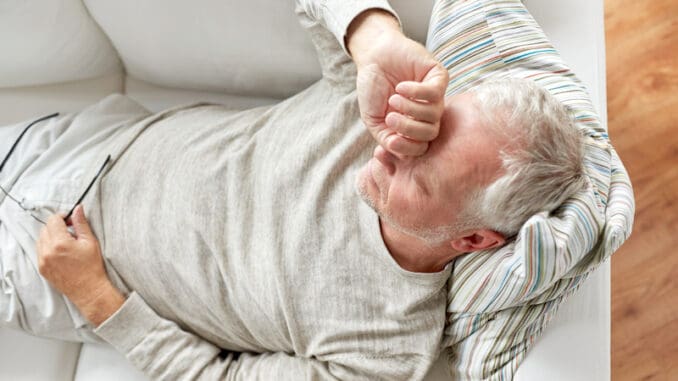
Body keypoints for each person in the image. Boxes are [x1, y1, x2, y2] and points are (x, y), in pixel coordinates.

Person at [0, 1, 586, 379]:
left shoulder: (382, 350)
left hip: (50, 276)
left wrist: (95, 296)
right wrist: (375, 40)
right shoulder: (384, 113)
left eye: (423, 176)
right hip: (86, 146)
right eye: (424, 136)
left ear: (474, 238)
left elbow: (215, 378)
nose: (390, 147)